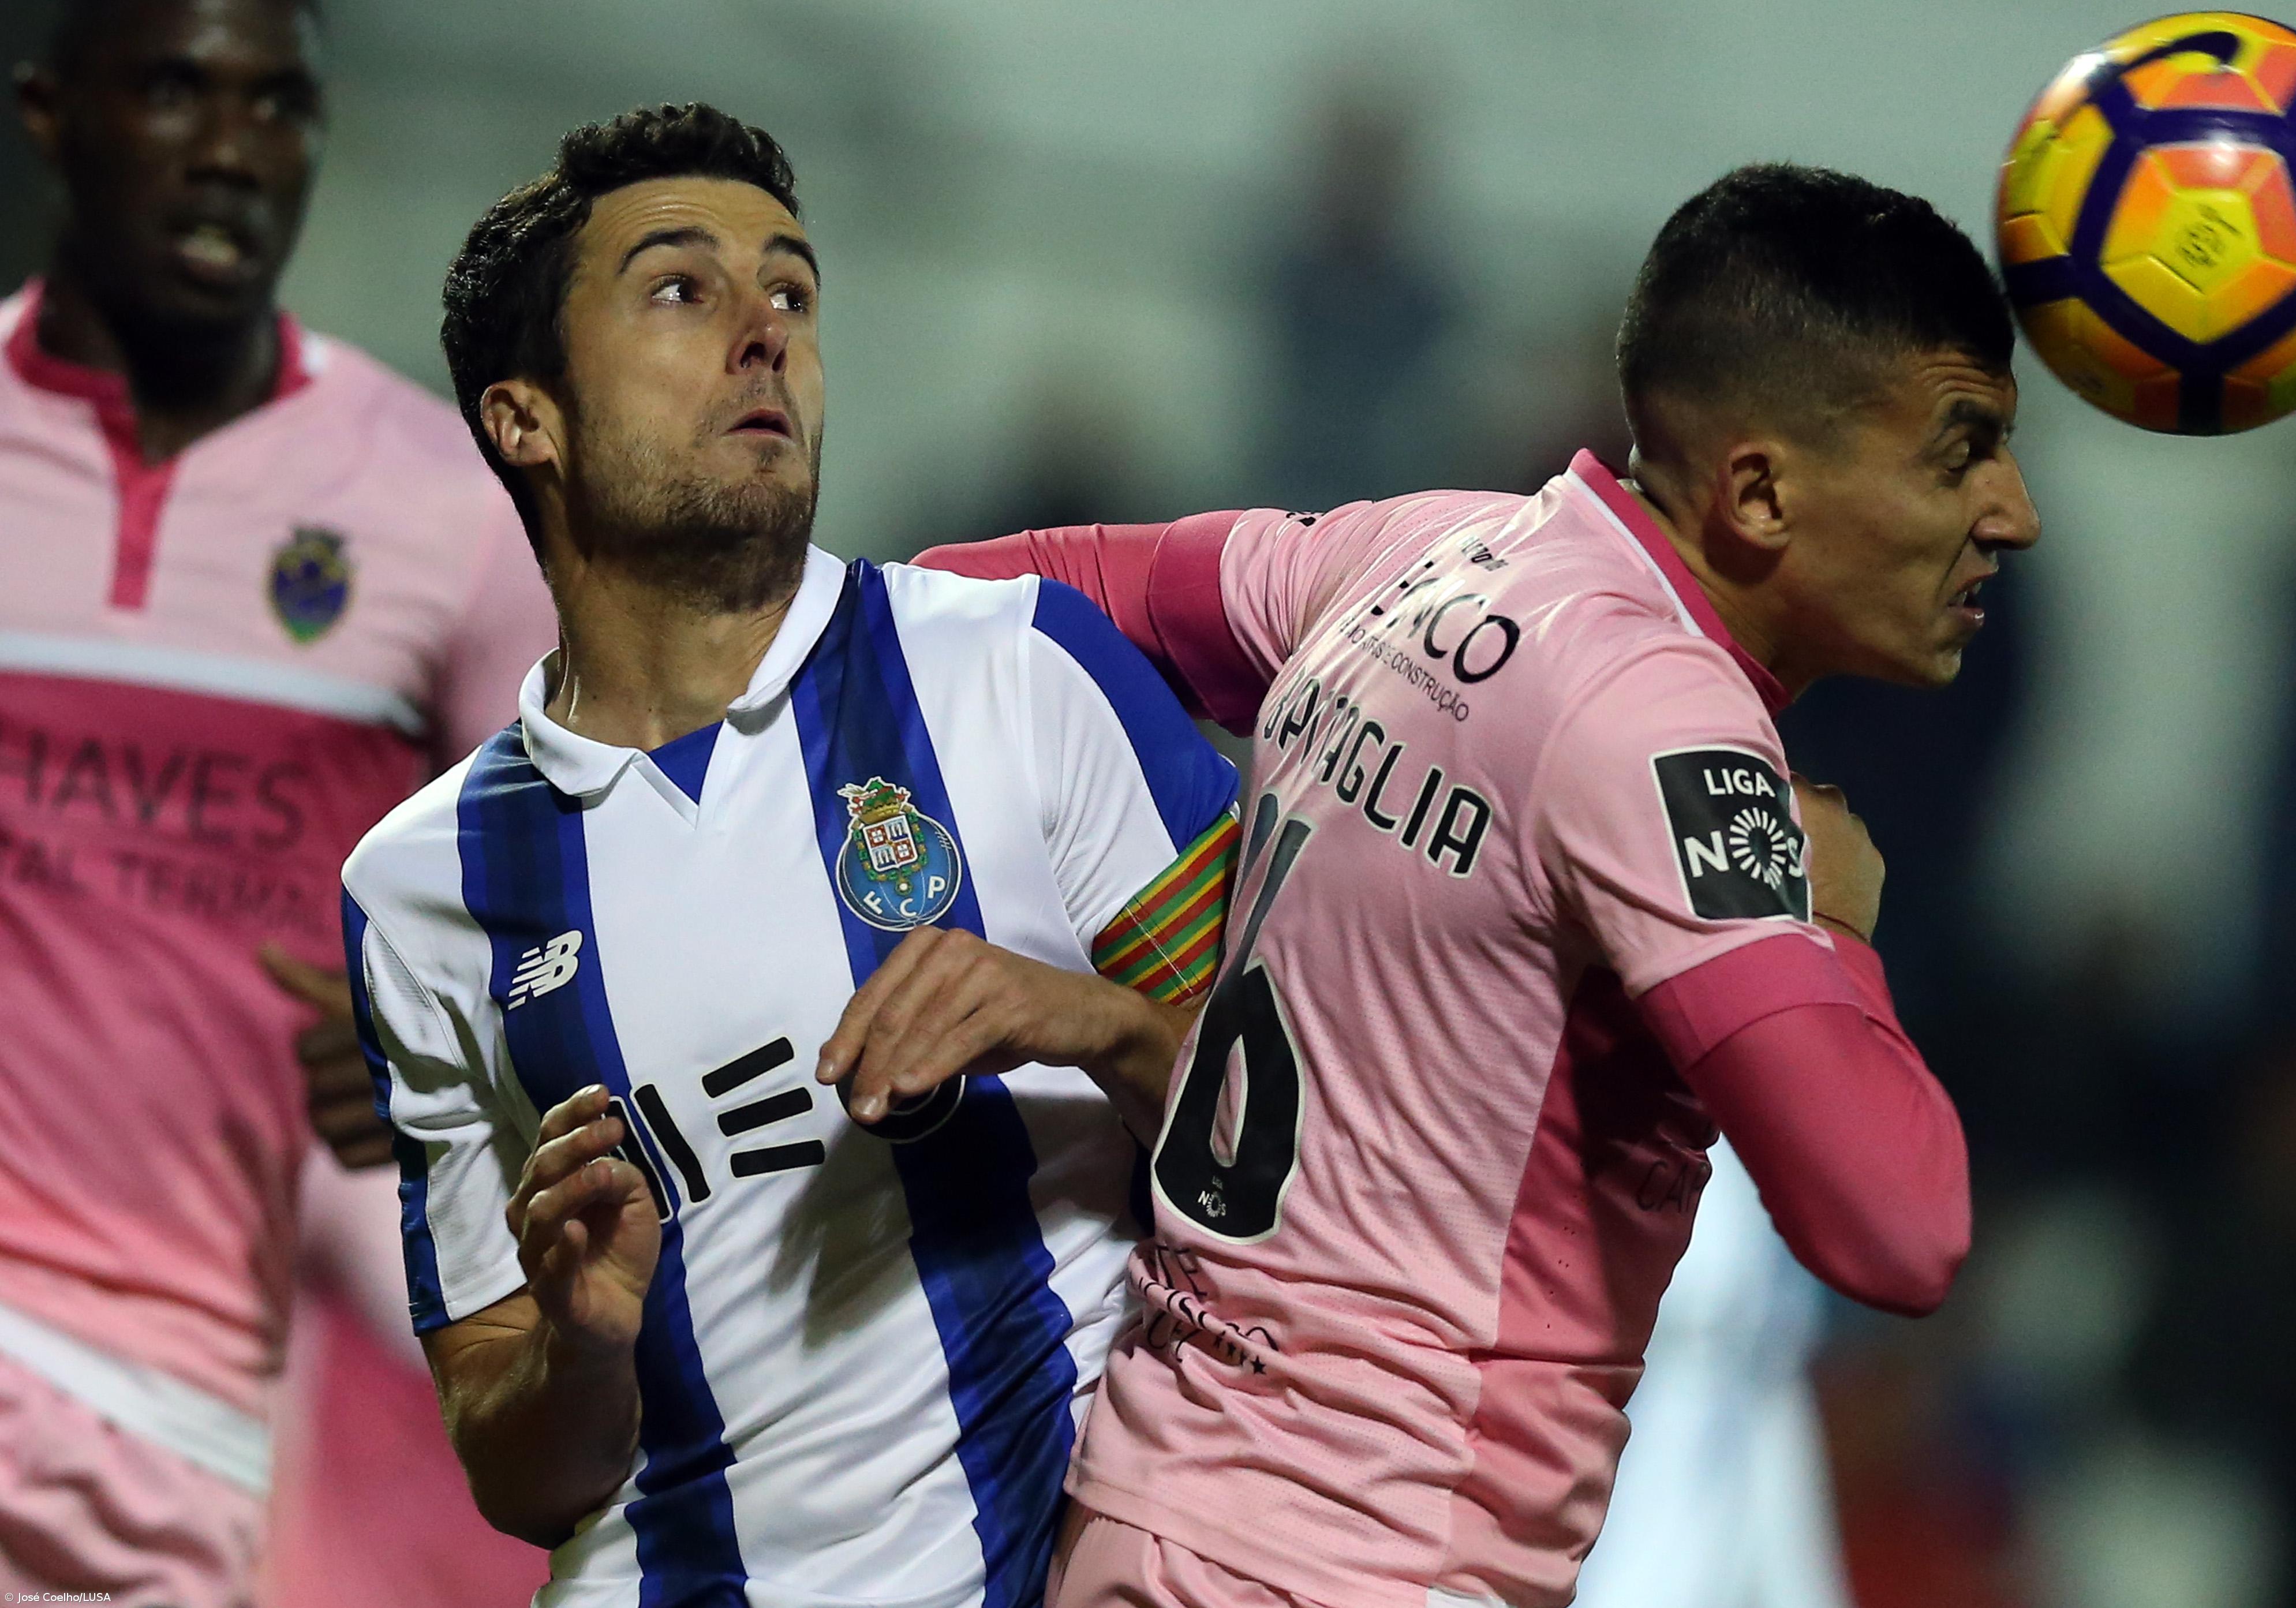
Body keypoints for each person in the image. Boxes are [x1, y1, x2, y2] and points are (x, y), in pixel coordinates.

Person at [920, 162, 2041, 1608]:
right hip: (1371, 1561)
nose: (2011, 512)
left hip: (1156, 1512)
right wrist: (1830, 930)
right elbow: (1900, 1229)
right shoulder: (1666, 732)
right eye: (1962, 453)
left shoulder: (1429, 556)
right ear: (1761, 491)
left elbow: (997, 601)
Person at [341, 103, 1244, 1608]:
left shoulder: (1016, 673)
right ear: (527, 419)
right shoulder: (424, 886)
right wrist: (583, 1338)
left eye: (793, 289)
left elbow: (1324, 1164)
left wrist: (1093, 1020)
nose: (765, 330)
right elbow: (521, 1474)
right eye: (682, 289)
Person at [0, 0, 552, 1605]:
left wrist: (444, 1051)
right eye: (176, 91)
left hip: (186, 1419)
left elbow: (595, 906)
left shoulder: (438, 518)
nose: (232, 148)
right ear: (52, 118)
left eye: (279, 103)